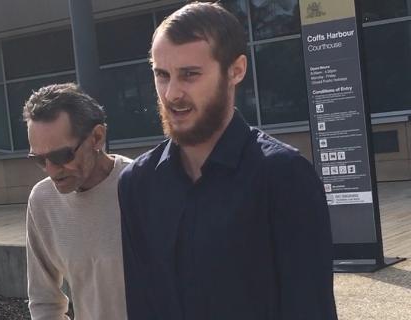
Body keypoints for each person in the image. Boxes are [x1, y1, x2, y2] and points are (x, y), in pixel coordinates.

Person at [118, 2, 337, 320]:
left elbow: (309, 307)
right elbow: (142, 304)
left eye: (189, 75)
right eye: (161, 75)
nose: (171, 93)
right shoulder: (137, 183)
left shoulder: (282, 177)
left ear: (236, 70)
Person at [23, 83, 130, 319]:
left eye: (61, 156)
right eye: (39, 160)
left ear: (97, 137)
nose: (51, 171)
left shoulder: (142, 187)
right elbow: (44, 302)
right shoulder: (42, 201)